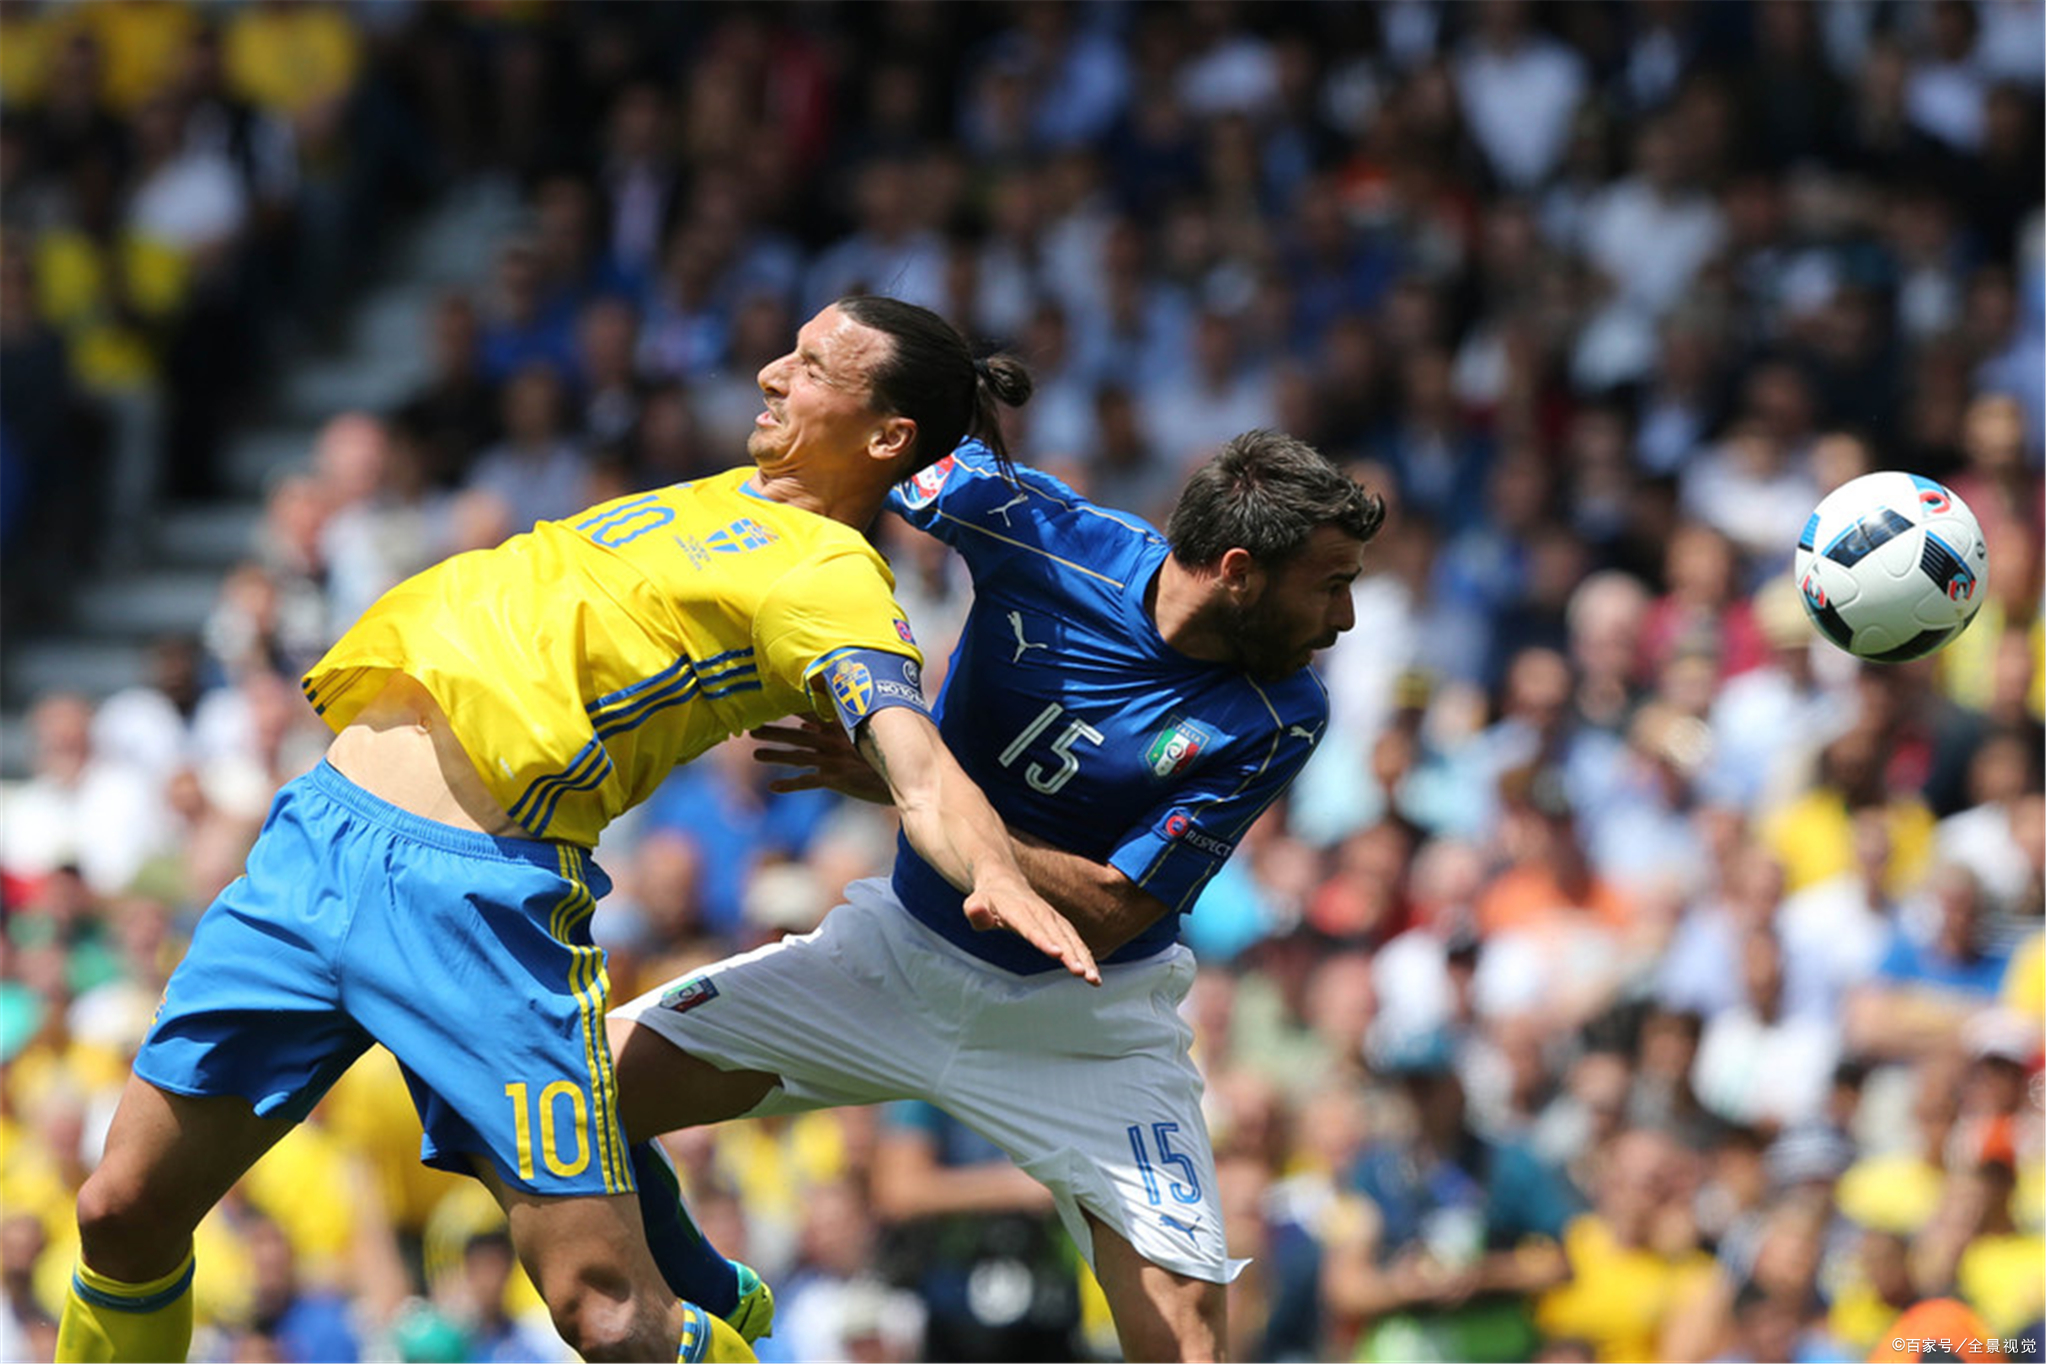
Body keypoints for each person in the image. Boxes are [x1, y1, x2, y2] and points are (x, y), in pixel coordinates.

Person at [57, 296, 1100, 1364]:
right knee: (119, 1212)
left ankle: (696, 1303)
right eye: (785, 349)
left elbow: (914, 754)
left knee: (609, 1317)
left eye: (812, 366)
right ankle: (693, 1271)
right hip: (315, 840)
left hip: (472, 900)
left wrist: (994, 865)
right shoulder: (731, 491)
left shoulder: (831, 577)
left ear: (886, 437)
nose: (771, 374)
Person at [610, 429, 1386, 1361]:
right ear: (1238, 572)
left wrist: (921, 781)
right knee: (567, 1093)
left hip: (1091, 1028)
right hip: (893, 960)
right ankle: (706, 1288)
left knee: (1188, 1344)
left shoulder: (1282, 713)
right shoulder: (1047, 532)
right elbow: (882, 450)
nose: (1344, 617)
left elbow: (1107, 911)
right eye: (1331, 582)